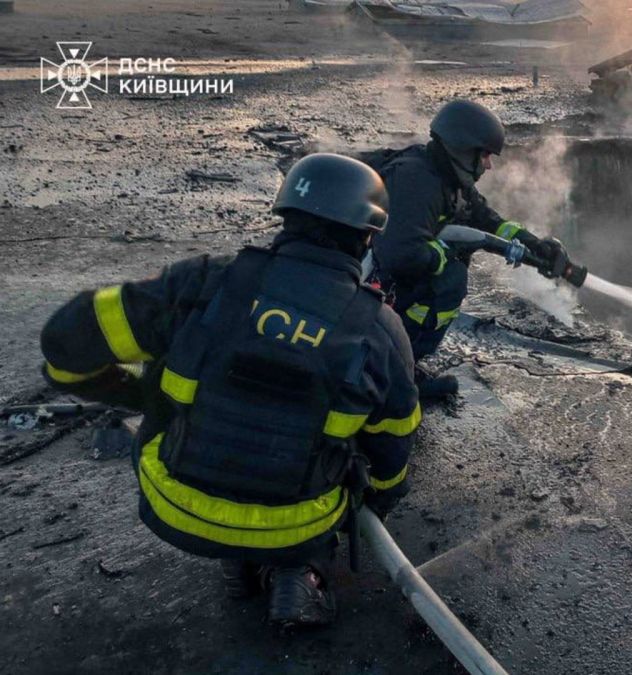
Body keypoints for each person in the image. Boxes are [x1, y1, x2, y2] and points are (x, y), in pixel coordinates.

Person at [39, 153, 419, 628]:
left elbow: (65, 340)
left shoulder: (203, 282)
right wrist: (376, 498)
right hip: (296, 526)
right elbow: (394, 443)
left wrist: (131, 394)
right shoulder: (379, 329)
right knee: (348, 436)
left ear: (285, 219)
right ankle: (302, 576)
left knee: (193, 386)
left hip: (172, 506)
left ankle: (235, 565)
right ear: (367, 237)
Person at [364, 99, 573, 397]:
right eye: (485, 155)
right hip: (364, 281)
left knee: (449, 273)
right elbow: (400, 257)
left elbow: (487, 220)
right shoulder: (416, 182)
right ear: (462, 148)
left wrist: (534, 245)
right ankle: (391, 373)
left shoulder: (447, 178)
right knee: (449, 279)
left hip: (375, 277)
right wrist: (447, 248)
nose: (488, 165)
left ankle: (400, 363)